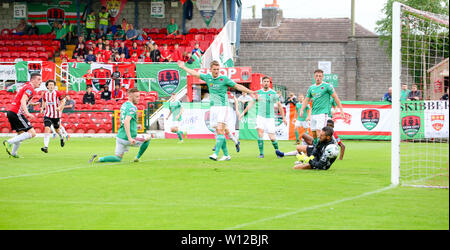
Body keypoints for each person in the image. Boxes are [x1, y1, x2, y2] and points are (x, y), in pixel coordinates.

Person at [178, 60, 256, 161]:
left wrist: (250, 91)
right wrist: (183, 67)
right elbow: (195, 74)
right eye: (214, 69)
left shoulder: (224, 79)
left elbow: (237, 86)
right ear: (210, 70)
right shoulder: (208, 77)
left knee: (220, 130)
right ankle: (227, 155)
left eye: (218, 69)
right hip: (213, 108)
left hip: (223, 108)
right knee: (219, 132)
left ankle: (215, 154)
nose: (216, 71)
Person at [89, 88, 151, 163]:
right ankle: (137, 157)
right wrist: (130, 138)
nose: (139, 99)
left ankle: (98, 159)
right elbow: (126, 121)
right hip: (127, 138)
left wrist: (136, 126)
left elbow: (125, 120)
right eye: (137, 97)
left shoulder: (124, 105)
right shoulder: (133, 107)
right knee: (149, 137)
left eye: (139, 96)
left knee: (118, 158)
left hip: (120, 137)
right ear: (131, 96)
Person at [239, 76, 287, 158]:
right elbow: (251, 103)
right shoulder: (258, 92)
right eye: (265, 81)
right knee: (260, 134)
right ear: (262, 82)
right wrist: (243, 113)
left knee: (272, 137)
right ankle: (261, 154)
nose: (266, 83)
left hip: (270, 118)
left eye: (268, 81)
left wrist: (283, 118)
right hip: (260, 117)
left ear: (269, 83)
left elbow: (279, 105)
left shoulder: (273, 93)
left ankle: (278, 151)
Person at [299, 69, 344, 145]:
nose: (318, 77)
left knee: (319, 133)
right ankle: (316, 149)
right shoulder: (311, 88)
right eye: (316, 76)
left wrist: (341, 110)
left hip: (322, 114)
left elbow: (336, 97)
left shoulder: (327, 86)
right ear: (314, 77)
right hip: (314, 113)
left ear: (322, 77)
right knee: (314, 134)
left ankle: (322, 151)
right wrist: (302, 110)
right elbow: (306, 100)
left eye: (320, 76)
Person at [3, 73, 42, 158]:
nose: (40, 81)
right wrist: (27, 112)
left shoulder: (26, 85)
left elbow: (21, 98)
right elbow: (23, 100)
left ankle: (13, 153)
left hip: (11, 112)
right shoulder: (30, 88)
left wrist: (31, 103)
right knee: (32, 133)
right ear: (33, 80)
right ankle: (9, 142)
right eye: (38, 79)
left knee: (20, 135)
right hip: (17, 113)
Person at [40, 80, 67, 153]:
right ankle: (46, 147)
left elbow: (63, 101)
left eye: (52, 85)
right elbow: (44, 101)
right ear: (47, 86)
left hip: (56, 115)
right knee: (47, 129)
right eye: (50, 85)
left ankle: (62, 137)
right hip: (47, 114)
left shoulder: (57, 93)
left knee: (57, 129)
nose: (51, 86)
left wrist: (59, 108)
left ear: (54, 86)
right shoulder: (45, 94)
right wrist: (42, 108)